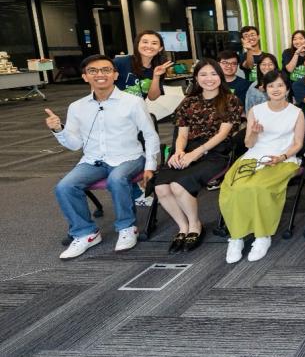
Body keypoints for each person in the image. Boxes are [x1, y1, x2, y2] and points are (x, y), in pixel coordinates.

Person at [45, 54, 161, 259]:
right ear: (85, 77)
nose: (100, 75)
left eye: (106, 70)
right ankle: (86, 233)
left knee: (117, 178)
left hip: (130, 157)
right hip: (93, 160)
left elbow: (150, 135)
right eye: (93, 71)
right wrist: (59, 129)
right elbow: (75, 145)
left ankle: (127, 227)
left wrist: (150, 166)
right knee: (64, 186)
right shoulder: (77, 107)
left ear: (115, 75)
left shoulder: (132, 102)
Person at [153, 60, 242, 254]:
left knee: (178, 185)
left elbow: (222, 134)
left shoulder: (230, 100)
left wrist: (195, 154)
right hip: (188, 150)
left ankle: (195, 225)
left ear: (220, 76)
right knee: (160, 186)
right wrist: (178, 152)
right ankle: (182, 227)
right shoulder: (189, 101)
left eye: (213, 74)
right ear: (196, 78)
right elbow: (182, 133)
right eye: (203, 74)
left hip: (216, 152)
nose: (208, 79)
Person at [220, 71, 305, 263]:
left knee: (258, 188)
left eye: (280, 85)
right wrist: (254, 134)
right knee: (232, 187)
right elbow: (249, 144)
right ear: (265, 89)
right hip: (254, 155)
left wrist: (282, 156)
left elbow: (298, 144)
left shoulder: (296, 112)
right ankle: (236, 236)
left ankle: (262, 235)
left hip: (283, 159)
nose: (276, 89)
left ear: (287, 88)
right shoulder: (256, 111)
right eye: (271, 86)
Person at [113, 30, 172, 100]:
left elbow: (152, 97)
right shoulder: (120, 62)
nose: (149, 46)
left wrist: (156, 76)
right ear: (137, 44)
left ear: (160, 48)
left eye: (154, 43)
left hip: (137, 109)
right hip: (115, 108)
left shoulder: (159, 68)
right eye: (145, 42)